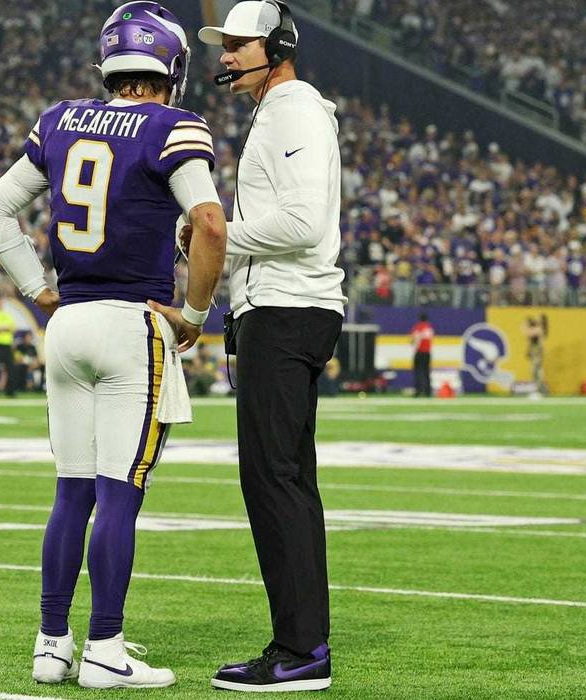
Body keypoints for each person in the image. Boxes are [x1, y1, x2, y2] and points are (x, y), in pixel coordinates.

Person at [0, 2, 226, 688]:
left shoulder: (59, 119)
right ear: (170, 66)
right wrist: (196, 315)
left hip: (68, 321)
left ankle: (51, 645)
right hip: (129, 323)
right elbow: (208, 223)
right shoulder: (173, 126)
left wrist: (36, 288)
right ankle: (104, 651)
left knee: (70, 493)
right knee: (119, 494)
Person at [199, 2, 344, 691]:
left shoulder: (291, 111)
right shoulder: (282, 111)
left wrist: (212, 235)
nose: (225, 56)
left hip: (286, 308)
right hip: (288, 305)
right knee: (286, 479)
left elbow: (301, 221)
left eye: (237, 44)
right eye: (223, 45)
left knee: (272, 478)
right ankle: (302, 642)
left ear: (278, 44)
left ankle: (299, 650)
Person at [410, 312, 434, 397]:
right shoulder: (429, 328)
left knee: (418, 372)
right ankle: (428, 391)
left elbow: (414, 340)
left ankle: (418, 391)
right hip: (427, 352)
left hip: (420, 352)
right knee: (427, 372)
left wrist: (412, 342)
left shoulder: (418, 327)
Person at [524, 314, 548, 395]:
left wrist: (526, 326)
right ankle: (538, 389)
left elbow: (529, 334)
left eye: (539, 318)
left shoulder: (540, 328)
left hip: (537, 351)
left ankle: (540, 389)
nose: (537, 319)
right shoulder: (537, 328)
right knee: (535, 371)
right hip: (534, 350)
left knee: (536, 370)